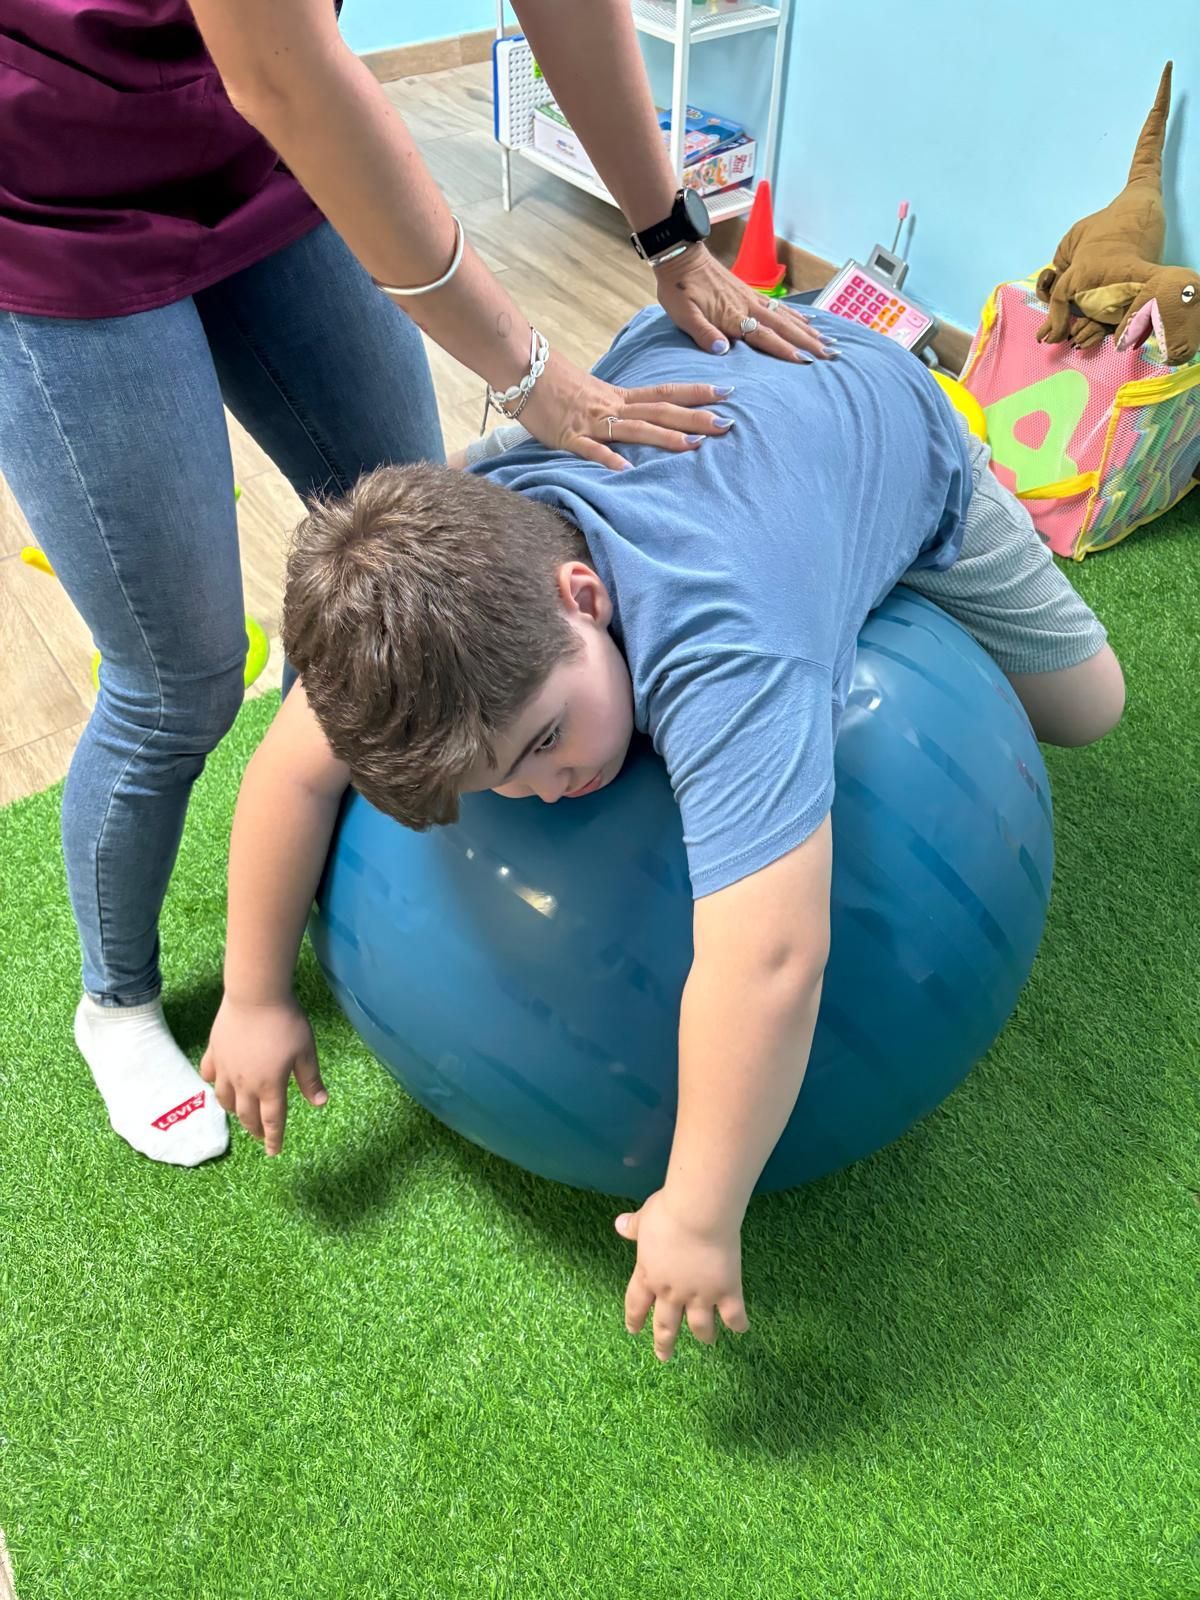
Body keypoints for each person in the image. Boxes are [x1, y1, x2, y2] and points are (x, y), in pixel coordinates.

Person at [202, 301, 1125, 1359]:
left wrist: (696, 1208)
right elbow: (291, 772)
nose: (548, 786)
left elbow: (771, 956)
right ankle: (812, 524)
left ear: (582, 594)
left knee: (1089, 708)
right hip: (691, 401)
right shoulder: (430, 610)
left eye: (546, 737)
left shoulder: (722, 642)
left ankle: (881, 535)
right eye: (499, 781)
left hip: (877, 414)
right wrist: (253, 992)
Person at [0, 0, 829, 1169]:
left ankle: (332, 876)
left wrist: (670, 231)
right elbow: (281, 71)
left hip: (265, 158)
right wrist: (533, 372)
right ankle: (117, 997)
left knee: (407, 555)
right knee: (176, 675)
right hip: (50, 202)